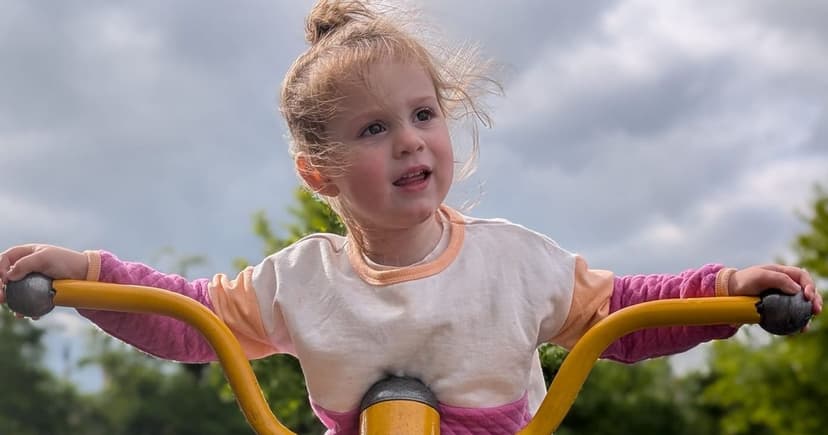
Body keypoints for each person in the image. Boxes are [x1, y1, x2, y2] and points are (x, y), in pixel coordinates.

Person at [0, 1, 823, 433]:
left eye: (423, 115)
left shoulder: (512, 262)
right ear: (316, 173)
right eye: (373, 129)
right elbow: (190, 320)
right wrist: (89, 279)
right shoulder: (303, 280)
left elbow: (622, 315)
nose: (409, 142)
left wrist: (729, 292)